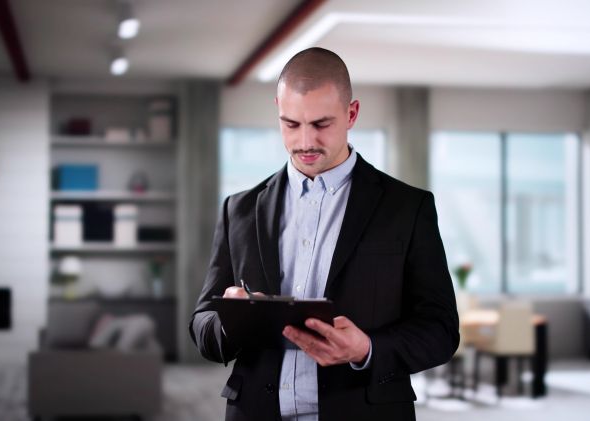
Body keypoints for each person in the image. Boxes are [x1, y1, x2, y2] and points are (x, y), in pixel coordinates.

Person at [190, 47, 459, 421]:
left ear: (351, 114)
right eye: (291, 124)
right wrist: (233, 319)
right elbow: (202, 324)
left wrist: (367, 348)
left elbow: (441, 331)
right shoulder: (239, 209)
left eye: (321, 124)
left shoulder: (407, 208)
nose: (305, 142)